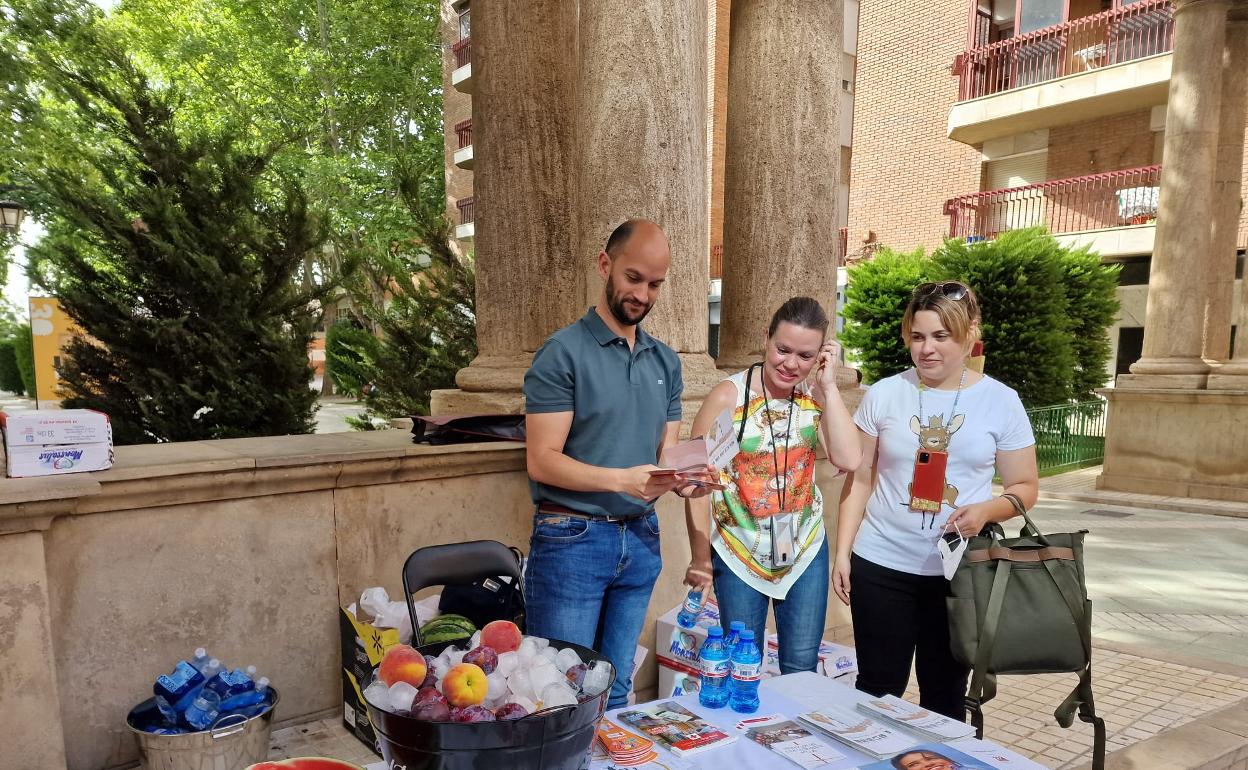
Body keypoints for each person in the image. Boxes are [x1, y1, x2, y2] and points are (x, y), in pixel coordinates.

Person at [523, 218, 712, 709]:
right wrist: (621, 480)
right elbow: (541, 461)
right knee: (560, 693)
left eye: (655, 284)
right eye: (634, 278)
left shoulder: (665, 361)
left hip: (642, 537)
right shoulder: (561, 353)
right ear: (605, 265)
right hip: (572, 539)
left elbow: (665, 456)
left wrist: (688, 479)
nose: (643, 295)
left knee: (619, 689)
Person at [834, 281, 1038, 720]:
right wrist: (843, 553)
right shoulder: (884, 393)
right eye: (917, 336)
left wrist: (986, 511)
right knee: (876, 691)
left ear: (969, 334)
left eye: (940, 336)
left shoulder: (1002, 401)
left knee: (944, 699)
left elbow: (1025, 487)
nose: (926, 349)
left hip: (958, 574)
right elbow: (860, 479)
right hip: (881, 565)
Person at [682, 297, 860, 674]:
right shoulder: (729, 396)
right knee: (743, 666)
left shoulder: (814, 395)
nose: (791, 364)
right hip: (739, 550)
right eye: (783, 349)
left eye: (805, 356)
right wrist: (700, 559)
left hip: (804, 548)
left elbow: (848, 459)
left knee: (801, 667)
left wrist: (829, 387)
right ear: (766, 338)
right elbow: (696, 481)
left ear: (820, 356)